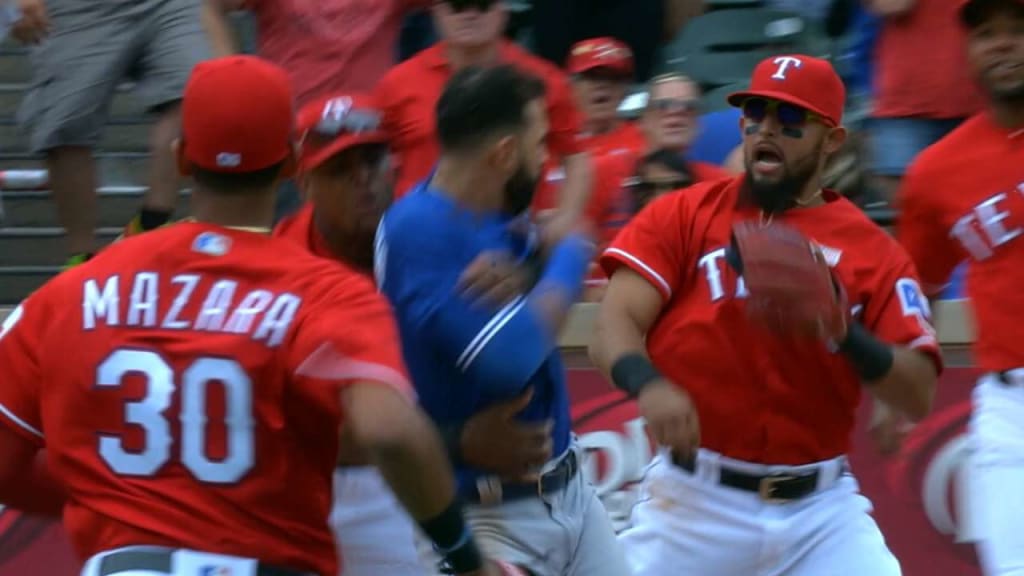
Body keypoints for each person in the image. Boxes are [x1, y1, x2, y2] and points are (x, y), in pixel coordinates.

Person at [0, 56, 508, 576]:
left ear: (180, 158)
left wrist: (101, 489)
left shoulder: (72, 293)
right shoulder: (326, 293)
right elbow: (390, 432)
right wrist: (465, 560)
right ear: (292, 164)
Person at [589, 54, 942, 576]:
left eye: (791, 120)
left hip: (819, 511)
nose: (769, 130)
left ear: (832, 140)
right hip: (693, 505)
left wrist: (846, 334)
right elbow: (611, 327)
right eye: (757, 115)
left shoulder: (874, 251)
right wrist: (648, 384)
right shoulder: (683, 214)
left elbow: (917, 391)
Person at [274, 92, 556, 575]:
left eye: (371, 160)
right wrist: (458, 440)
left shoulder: (424, 223)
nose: (363, 180)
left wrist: (526, 269)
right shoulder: (283, 271)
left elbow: (543, 235)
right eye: (340, 168)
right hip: (327, 484)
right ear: (305, 183)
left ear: (393, 164)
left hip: (434, 480)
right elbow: (310, 428)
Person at [376, 64, 629, 576]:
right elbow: (509, 358)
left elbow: (525, 258)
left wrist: (536, 261)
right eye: (539, 145)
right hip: (489, 517)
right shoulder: (419, 229)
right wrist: (570, 251)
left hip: (572, 494)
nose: (545, 159)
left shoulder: (487, 208)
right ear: (504, 154)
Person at [895, 1, 1024, 574]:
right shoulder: (935, 171)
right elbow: (914, 287)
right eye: (988, 33)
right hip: (1009, 408)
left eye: (1019, 31)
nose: (1003, 44)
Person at [10, 0, 212, 266]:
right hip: (75, 10)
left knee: (204, 91)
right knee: (66, 123)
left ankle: (152, 224)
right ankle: (82, 261)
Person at [375, 0, 592, 241]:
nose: (470, 14)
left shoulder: (542, 78)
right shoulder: (397, 84)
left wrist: (565, 218)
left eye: (483, 4)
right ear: (436, 12)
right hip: (420, 236)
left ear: (503, 11)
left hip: (513, 243)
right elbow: (376, 163)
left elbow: (576, 156)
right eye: (457, 6)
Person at [566, 37, 647, 160]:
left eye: (613, 78)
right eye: (592, 77)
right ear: (572, 86)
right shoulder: (553, 146)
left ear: (626, 88)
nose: (602, 85)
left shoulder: (647, 141)